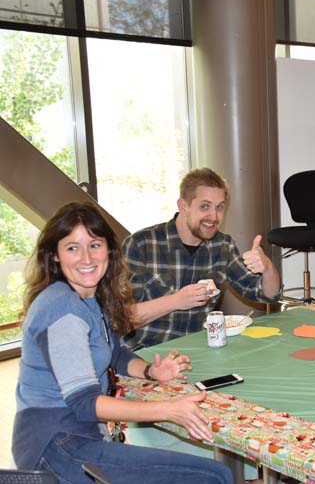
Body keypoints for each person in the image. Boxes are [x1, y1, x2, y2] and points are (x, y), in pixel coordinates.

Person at [12, 201, 232, 484]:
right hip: (55, 446)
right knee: (213, 476)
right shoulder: (62, 309)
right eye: (72, 248)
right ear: (54, 256)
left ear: (109, 250)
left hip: (77, 437)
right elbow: (84, 403)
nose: (86, 258)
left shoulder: (90, 296)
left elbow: (113, 352)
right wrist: (169, 410)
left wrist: (151, 371)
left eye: (94, 245)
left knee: (213, 473)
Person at [123, 167, 281, 350]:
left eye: (219, 207)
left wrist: (268, 268)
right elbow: (124, 318)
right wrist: (176, 301)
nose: (214, 217)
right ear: (183, 206)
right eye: (205, 206)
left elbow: (266, 295)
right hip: (147, 354)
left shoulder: (222, 246)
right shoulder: (140, 245)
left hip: (201, 351)